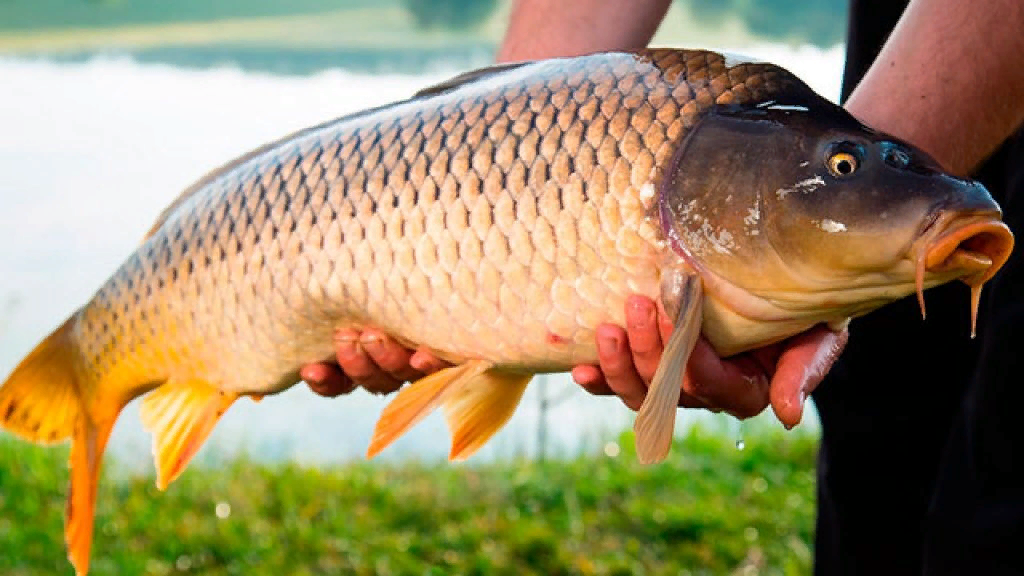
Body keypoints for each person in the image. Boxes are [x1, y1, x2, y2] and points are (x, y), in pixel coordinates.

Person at [300, 0, 1024, 573]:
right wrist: (507, 123)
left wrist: (880, 179)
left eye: (841, 167)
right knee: (879, 467)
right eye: (841, 167)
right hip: (897, 65)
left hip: (940, 90)